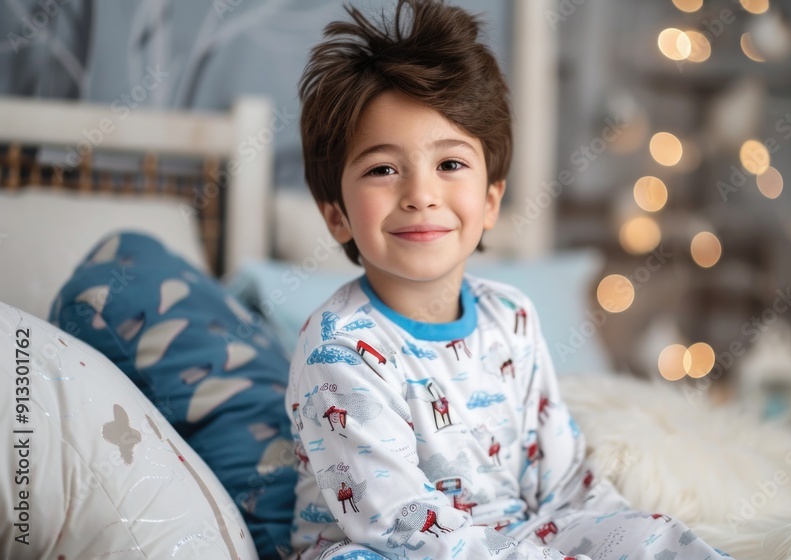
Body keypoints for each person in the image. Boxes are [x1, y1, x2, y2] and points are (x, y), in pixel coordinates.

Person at [287, 1, 731, 558]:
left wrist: (616, 537)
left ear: (492, 200)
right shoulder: (339, 349)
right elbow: (398, 523)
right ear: (336, 214)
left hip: (515, 539)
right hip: (390, 546)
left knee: (650, 533)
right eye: (383, 169)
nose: (421, 194)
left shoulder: (512, 317)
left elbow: (563, 481)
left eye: (450, 165)